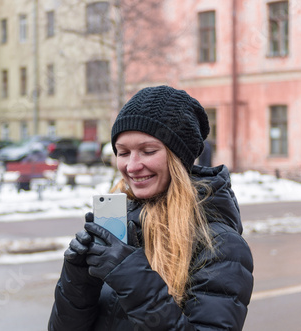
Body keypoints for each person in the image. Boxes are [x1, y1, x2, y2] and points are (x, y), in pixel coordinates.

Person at [48, 85, 254, 330]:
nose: (132, 166)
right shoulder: (120, 231)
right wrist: (77, 280)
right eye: (123, 153)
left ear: (178, 158)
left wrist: (132, 277)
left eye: (147, 151)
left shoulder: (220, 245)